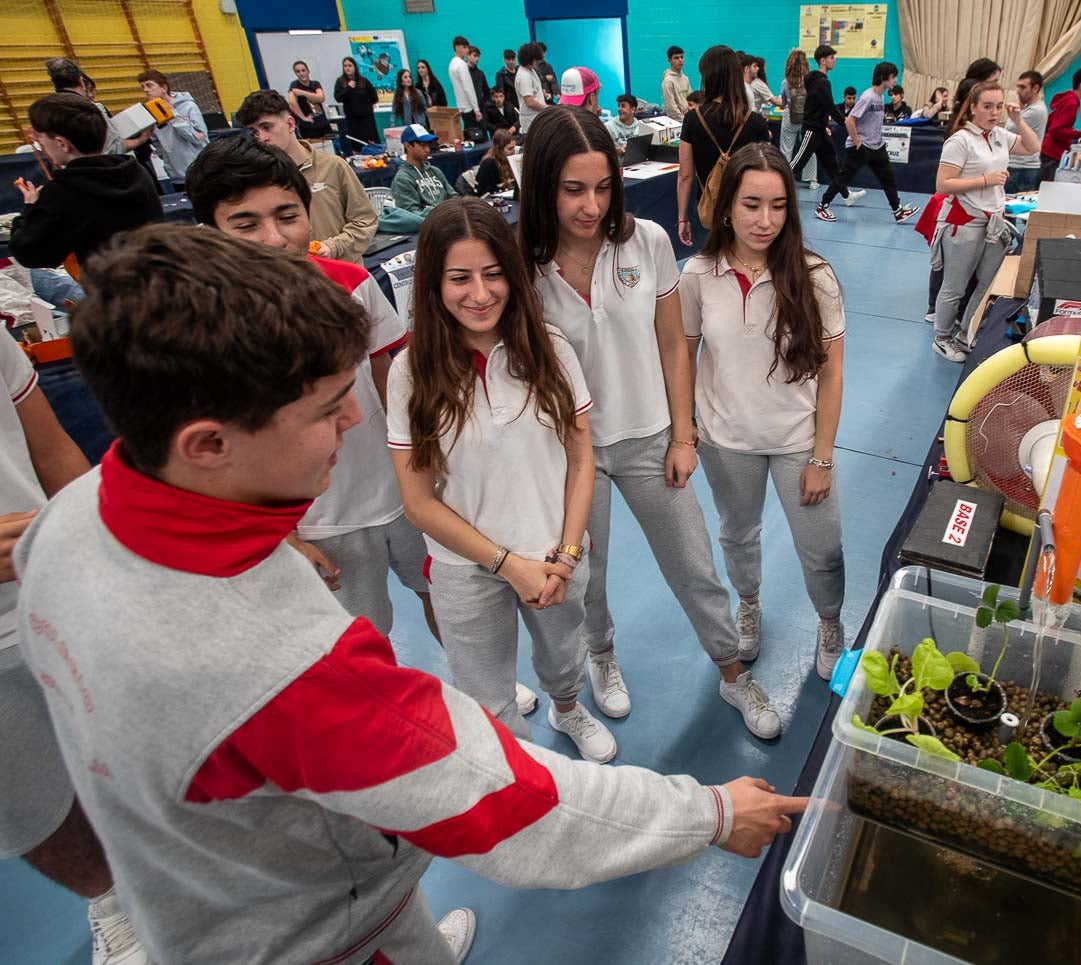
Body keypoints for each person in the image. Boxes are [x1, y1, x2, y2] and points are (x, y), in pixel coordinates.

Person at [15, 220, 809, 961]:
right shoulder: (284, 668)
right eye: (327, 411)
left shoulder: (65, 525)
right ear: (208, 443)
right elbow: (508, 804)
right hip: (332, 937)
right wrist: (709, 812)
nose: (351, 424)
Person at [522, 107, 784, 738]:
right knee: (588, 574)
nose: (592, 205)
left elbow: (673, 343)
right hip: (569, 452)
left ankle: (731, 673)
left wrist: (682, 434)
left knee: (693, 562)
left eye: (603, 187)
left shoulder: (648, 243)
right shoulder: (522, 265)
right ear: (543, 187)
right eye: (573, 190)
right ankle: (603, 658)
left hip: (646, 439)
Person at [184, 136, 441, 648]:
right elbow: (221, 460)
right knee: (361, 636)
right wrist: (282, 536)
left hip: (398, 491)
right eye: (245, 223)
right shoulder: (205, 332)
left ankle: (471, 683)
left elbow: (389, 377)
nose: (275, 239)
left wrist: (426, 469)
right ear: (209, 232)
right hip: (320, 521)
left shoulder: (351, 284)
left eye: (287, 215)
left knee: (441, 594)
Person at [387, 198, 616, 761]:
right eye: (459, 278)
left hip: (556, 555)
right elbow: (418, 502)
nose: (481, 293)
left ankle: (566, 707)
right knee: (488, 699)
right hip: (467, 570)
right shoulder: (411, 371)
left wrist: (564, 556)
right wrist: (506, 564)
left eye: (493, 274)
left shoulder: (551, 350)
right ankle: (524, 780)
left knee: (563, 658)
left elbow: (581, 459)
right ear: (433, 284)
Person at [0, 331, 146, 965]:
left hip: (57, 591)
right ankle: (115, 907)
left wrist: (101, 548)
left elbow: (50, 445)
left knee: (135, 758)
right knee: (29, 804)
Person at [680, 143, 848, 678]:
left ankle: (830, 619)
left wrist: (822, 456)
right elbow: (682, 357)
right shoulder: (698, 275)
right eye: (752, 204)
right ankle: (748, 605)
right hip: (727, 441)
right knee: (738, 534)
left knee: (822, 548)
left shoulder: (815, 275)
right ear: (728, 205)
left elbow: (832, 373)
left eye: (778, 206)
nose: (765, 220)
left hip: (798, 440)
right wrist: (686, 430)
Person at [930, 81, 1041, 361]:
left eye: (999, 106)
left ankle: (965, 333)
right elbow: (943, 184)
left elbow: (1032, 147)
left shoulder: (1000, 135)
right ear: (973, 107)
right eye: (987, 106)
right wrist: (985, 180)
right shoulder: (960, 141)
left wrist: (1018, 120)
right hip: (964, 223)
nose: (994, 112)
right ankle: (941, 338)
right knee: (955, 285)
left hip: (994, 223)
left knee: (986, 284)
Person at [10, 93, 163, 277]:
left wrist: (30, 208)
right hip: (158, 282)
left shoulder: (65, 190)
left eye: (41, 139)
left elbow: (30, 253)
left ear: (61, 143)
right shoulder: (135, 171)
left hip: (114, 294)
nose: (41, 144)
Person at [235, 89, 378, 262]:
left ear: (289, 124)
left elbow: (365, 221)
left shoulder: (333, 167)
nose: (262, 138)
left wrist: (333, 247)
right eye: (254, 132)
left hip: (343, 276)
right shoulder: (258, 180)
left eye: (267, 127)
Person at [677, 45, 771, 244]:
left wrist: (682, 217)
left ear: (707, 77)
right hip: (747, 210)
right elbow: (767, 174)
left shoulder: (693, 119)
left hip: (708, 208)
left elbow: (685, 175)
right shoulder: (755, 122)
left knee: (712, 268)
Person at [819, 61, 919, 224]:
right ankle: (823, 206)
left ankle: (897, 210)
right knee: (843, 178)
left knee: (888, 177)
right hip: (861, 147)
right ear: (883, 78)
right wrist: (858, 141)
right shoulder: (868, 97)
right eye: (893, 77)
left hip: (877, 146)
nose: (895, 80)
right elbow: (850, 121)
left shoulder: (879, 97)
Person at [789, 45, 846, 220]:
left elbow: (822, 106)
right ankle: (775, 185)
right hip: (812, 130)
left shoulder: (815, 80)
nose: (834, 60)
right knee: (797, 163)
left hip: (820, 129)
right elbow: (829, 105)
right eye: (831, 57)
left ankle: (846, 194)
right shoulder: (822, 82)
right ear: (823, 60)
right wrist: (845, 123)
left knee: (832, 164)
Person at [136, 68, 207, 186]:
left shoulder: (188, 106)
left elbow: (199, 138)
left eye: (149, 85)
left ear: (163, 88)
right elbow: (156, 141)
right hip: (177, 176)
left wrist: (173, 115)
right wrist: (167, 160)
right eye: (143, 87)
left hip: (200, 172)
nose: (146, 90)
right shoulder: (153, 112)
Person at [1039, 68, 1081, 182]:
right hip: (1053, 154)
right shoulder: (1071, 103)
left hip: (1050, 152)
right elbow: (1056, 130)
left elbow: (1052, 122)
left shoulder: (1068, 99)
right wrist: (1080, 133)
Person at [392, 124, 455, 215]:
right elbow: (410, 213)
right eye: (422, 145)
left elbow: (453, 195)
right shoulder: (402, 179)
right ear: (408, 146)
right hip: (428, 225)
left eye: (428, 145)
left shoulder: (435, 171)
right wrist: (440, 214)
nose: (427, 149)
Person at [778, 49, 816, 189]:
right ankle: (812, 180)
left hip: (790, 116)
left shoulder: (785, 82)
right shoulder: (810, 81)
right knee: (809, 148)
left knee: (786, 149)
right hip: (807, 116)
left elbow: (783, 104)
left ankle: (785, 178)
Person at [1005, 70, 1047, 193]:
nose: (1018, 91)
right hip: (1019, 165)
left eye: (1023, 87)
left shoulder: (1035, 111)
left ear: (1035, 88)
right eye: (1018, 86)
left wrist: (1017, 109)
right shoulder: (1027, 108)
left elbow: (1010, 128)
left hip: (1022, 166)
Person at [332, 56, 380, 152]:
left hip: (367, 119)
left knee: (372, 145)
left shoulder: (363, 81)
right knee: (357, 146)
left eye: (350, 65)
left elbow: (374, 97)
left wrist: (367, 106)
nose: (347, 68)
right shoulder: (341, 82)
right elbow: (338, 98)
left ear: (355, 67)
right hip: (352, 120)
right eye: (345, 66)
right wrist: (348, 88)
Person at [458, 128, 517, 195]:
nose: (513, 151)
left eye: (514, 148)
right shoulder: (489, 164)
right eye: (510, 149)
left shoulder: (510, 159)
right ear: (499, 148)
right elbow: (484, 191)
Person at [286, 60, 333, 138]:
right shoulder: (294, 85)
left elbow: (321, 98)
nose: (301, 73)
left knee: (331, 144)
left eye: (303, 70)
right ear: (295, 73)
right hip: (308, 126)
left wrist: (302, 93)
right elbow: (291, 102)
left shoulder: (315, 84)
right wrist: (303, 117)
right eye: (298, 71)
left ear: (308, 71)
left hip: (322, 122)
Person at [448, 36, 483, 139]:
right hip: (469, 107)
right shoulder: (462, 65)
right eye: (464, 47)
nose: (467, 50)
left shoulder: (451, 64)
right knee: (477, 137)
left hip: (461, 107)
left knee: (468, 134)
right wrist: (476, 109)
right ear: (457, 47)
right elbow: (468, 88)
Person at [515, 42, 550, 132]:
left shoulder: (531, 70)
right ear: (531, 58)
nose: (539, 61)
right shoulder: (524, 76)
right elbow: (529, 102)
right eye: (537, 59)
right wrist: (547, 108)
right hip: (531, 119)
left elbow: (533, 91)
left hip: (538, 117)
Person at [662, 45, 692, 120]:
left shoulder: (686, 78)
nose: (680, 60)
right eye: (676, 58)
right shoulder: (668, 81)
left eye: (682, 57)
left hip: (688, 118)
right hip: (676, 122)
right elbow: (671, 108)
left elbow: (691, 100)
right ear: (669, 60)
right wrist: (684, 120)